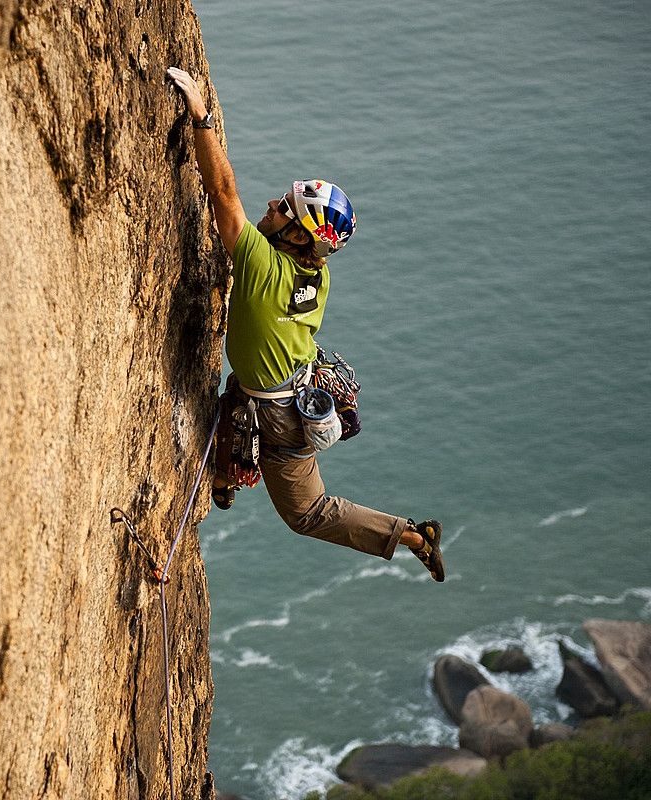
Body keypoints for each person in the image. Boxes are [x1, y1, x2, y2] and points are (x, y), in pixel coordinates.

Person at [166, 66, 446, 582]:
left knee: (306, 513)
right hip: (295, 387)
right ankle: (224, 475)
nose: (272, 205)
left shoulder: (260, 265)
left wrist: (201, 117)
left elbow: (224, 194)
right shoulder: (316, 276)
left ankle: (407, 534)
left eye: (285, 209)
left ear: (297, 237)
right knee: (234, 395)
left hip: (281, 414)